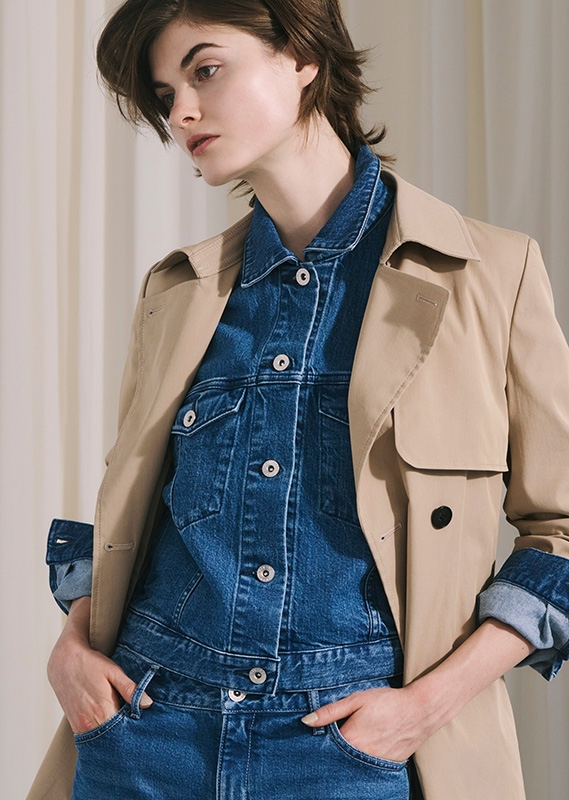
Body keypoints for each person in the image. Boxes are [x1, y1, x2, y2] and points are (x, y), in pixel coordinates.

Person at [27, 1, 569, 799]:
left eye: (206, 70)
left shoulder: (490, 274)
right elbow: (131, 518)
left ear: (303, 57)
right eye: (165, 92)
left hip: (353, 749)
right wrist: (72, 651)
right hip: (146, 733)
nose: (181, 112)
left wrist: (422, 710)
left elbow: (558, 532)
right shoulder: (176, 290)